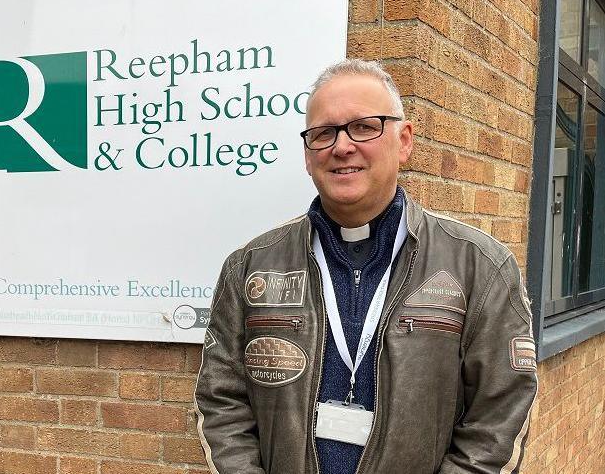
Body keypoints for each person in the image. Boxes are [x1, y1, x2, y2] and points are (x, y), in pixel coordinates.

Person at [194, 59, 538, 474]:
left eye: (364, 127)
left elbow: (500, 417)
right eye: (324, 133)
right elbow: (221, 402)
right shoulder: (250, 265)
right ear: (307, 155)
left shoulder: (479, 266)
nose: (341, 147)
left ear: (404, 140)